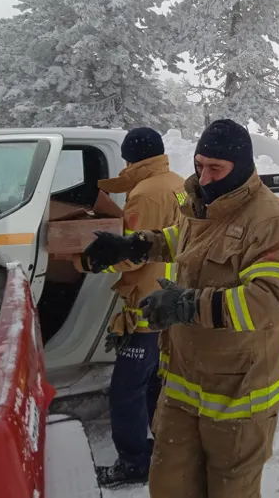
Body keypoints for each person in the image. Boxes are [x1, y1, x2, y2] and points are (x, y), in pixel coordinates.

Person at [80, 118, 279, 498]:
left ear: (242, 167)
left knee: (229, 490)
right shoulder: (203, 203)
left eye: (215, 168)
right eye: (199, 165)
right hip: (185, 381)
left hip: (239, 391)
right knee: (170, 482)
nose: (204, 177)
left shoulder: (270, 222)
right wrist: (137, 244)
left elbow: (271, 300)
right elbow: (186, 240)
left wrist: (187, 306)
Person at [73, 126, 185, 488]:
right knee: (153, 383)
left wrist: (86, 262)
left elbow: (135, 253)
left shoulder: (145, 193)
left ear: (133, 158)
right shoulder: (176, 182)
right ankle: (164, 449)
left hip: (147, 304)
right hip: (170, 298)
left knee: (126, 390)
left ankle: (135, 462)